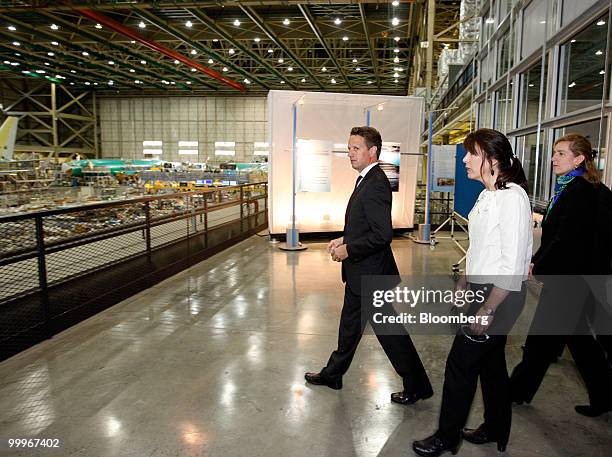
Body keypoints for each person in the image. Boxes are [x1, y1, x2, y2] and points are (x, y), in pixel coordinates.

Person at [413, 129, 532, 456]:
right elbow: (478, 248)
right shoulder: (487, 195)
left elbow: (511, 265)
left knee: (459, 366)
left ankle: (446, 437)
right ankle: (496, 427)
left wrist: (487, 309)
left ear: (492, 160)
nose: (464, 159)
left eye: (472, 153)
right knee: (490, 365)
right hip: (481, 289)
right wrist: (464, 285)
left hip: (501, 296)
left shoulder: (514, 199)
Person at [304, 126, 433, 405]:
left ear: (372, 151)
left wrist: (348, 249)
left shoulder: (375, 183)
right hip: (361, 273)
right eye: (349, 148)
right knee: (349, 327)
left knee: (391, 334)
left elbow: (382, 234)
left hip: (371, 274)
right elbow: (365, 225)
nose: (350, 154)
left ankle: (417, 385)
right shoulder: (366, 179)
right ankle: (333, 373)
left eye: (355, 148)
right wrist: (344, 237)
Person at [510, 134, 612, 417]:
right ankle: (605, 396)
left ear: (579, 159)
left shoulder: (580, 191)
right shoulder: (579, 187)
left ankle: (516, 391)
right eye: (554, 152)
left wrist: (536, 265)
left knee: (541, 341)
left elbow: (567, 239)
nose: (554, 158)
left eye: (561, 153)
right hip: (576, 277)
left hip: (570, 280)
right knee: (579, 342)